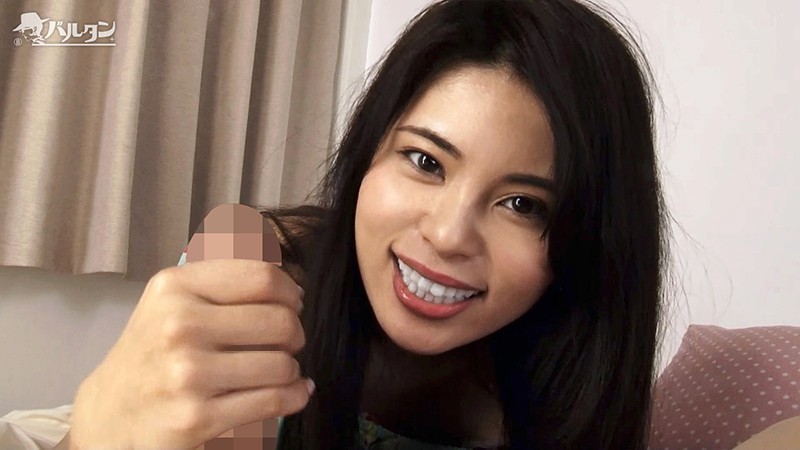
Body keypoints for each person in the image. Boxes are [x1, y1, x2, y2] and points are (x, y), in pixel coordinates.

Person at [63, 0, 669, 448]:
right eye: (426, 161)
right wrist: (96, 431)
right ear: (369, 152)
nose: (447, 236)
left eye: (523, 205)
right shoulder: (251, 262)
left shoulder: (579, 386)